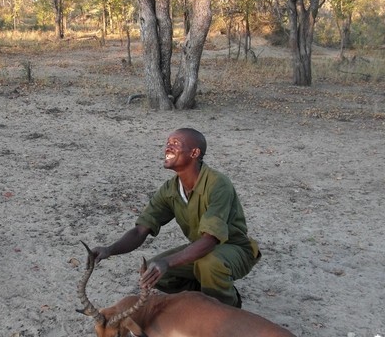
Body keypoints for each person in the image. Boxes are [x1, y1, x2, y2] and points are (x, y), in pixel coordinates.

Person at [90, 128, 260, 308]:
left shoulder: (218, 184)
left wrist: (167, 262)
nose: (168, 148)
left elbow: (210, 240)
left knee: (209, 264)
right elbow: (141, 230)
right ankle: (206, 293)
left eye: (176, 144)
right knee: (152, 271)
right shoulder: (170, 189)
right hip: (201, 247)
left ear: (195, 153)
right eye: (168, 143)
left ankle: (229, 309)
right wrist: (109, 250)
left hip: (234, 248)